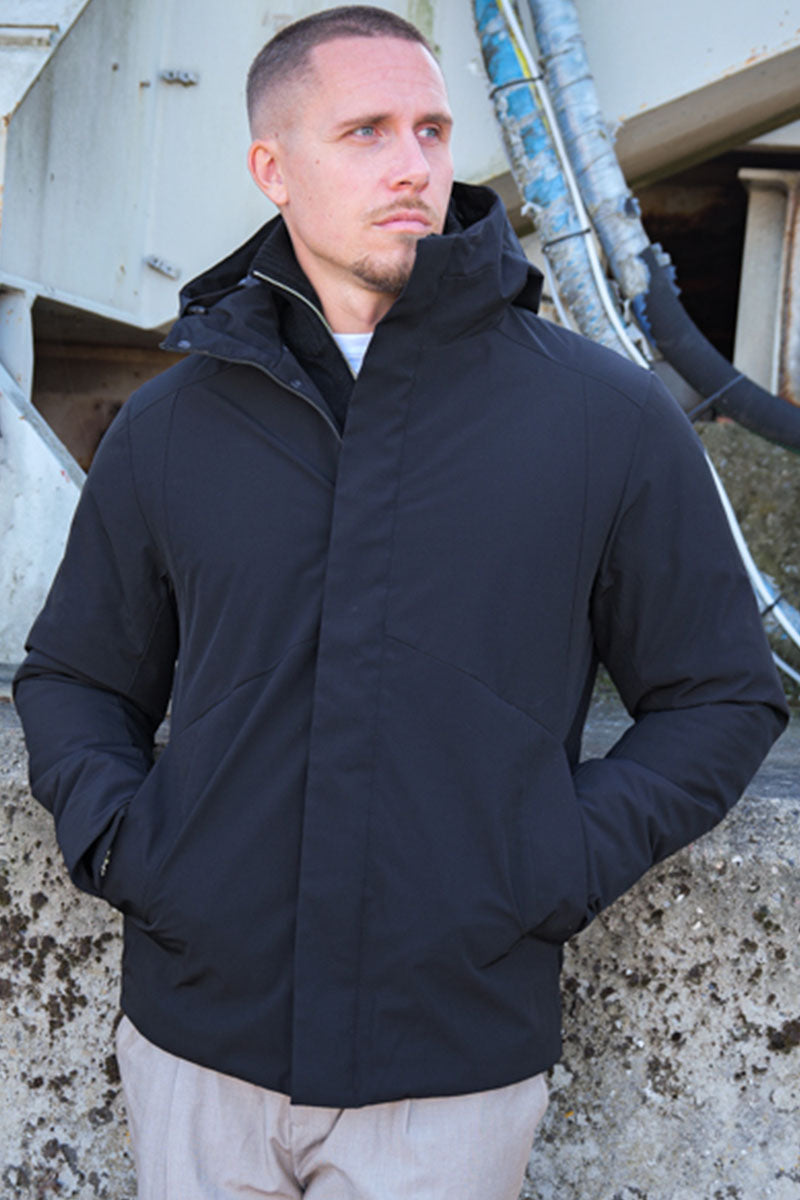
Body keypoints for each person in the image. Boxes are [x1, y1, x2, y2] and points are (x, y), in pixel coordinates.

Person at [14, 6, 788, 1198]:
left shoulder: (601, 418)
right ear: (272, 167)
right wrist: (133, 845)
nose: (412, 165)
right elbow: (76, 676)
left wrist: (551, 859)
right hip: (197, 1051)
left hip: (449, 1071)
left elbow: (720, 696)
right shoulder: (174, 424)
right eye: (364, 130)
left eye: (430, 129)